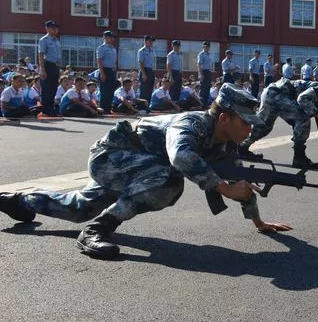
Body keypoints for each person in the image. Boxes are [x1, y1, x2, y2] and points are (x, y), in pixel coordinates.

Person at [0, 84, 292, 259]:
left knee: (80, 207)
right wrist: (223, 188)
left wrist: (258, 222)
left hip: (135, 168)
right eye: (246, 122)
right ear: (225, 118)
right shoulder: (192, 124)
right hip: (111, 158)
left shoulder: (224, 143)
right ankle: (96, 231)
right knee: (169, 180)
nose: (251, 128)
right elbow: (181, 156)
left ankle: (18, 201)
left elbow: (237, 178)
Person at [239, 78, 318, 169]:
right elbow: (302, 99)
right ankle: (299, 158)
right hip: (276, 92)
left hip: (276, 95)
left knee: (264, 127)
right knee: (302, 116)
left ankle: (242, 149)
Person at [37, 20, 62, 117]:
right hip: (47, 65)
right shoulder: (44, 40)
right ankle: (45, 110)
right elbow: (41, 55)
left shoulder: (57, 40)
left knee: (53, 88)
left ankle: (51, 109)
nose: (55, 29)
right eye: (52, 28)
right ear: (47, 28)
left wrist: (59, 69)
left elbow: (58, 56)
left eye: (56, 28)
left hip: (55, 66)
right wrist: (42, 69)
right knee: (46, 89)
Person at [96, 30, 119, 116]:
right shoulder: (101, 48)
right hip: (104, 70)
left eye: (112, 37)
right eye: (109, 37)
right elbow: (99, 61)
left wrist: (115, 72)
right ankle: (103, 109)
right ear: (104, 38)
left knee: (110, 91)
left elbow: (114, 62)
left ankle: (108, 108)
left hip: (111, 71)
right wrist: (102, 73)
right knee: (104, 91)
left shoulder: (113, 48)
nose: (111, 39)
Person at [137, 35, 157, 103]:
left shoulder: (152, 50)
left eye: (152, 41)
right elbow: (141, 63)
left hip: (150, 70)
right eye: (150, 41)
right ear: (145, 41)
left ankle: (147, 107)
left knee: (150, 90)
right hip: (144, 70)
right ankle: (142, 107)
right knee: (144, 90)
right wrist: (143, 74)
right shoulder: (141, 51)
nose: (151, 42)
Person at [197, 41, 214, 107]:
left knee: (207, 89)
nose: (206, 47)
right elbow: (199, 64)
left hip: (208, 72)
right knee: (203, 89)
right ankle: (201, 104)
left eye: (208, 46)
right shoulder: (201, 54)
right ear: (203, 47)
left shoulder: (208, 54)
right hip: (203, 72)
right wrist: (200, 74)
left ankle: (205, 104)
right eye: (205, 46)